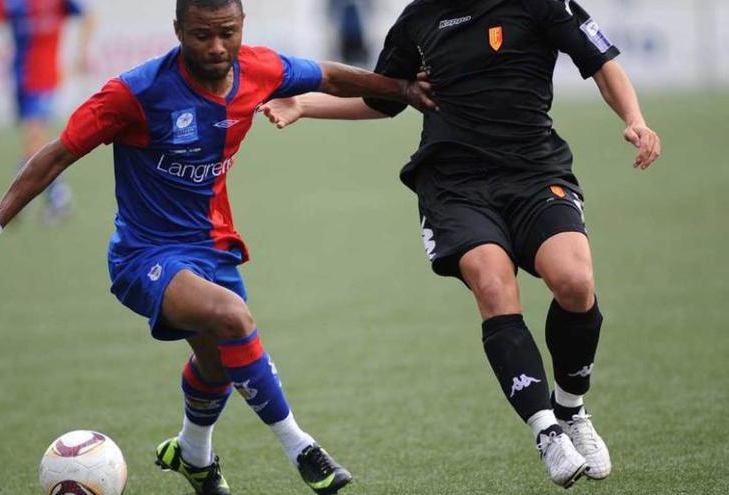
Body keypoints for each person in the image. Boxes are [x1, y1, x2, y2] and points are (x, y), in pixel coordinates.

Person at [0, 1, 434, 494]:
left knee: (218, 364)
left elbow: (328, 75)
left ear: (242, 25)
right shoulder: (135, 93)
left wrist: (403, 89)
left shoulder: (261, 69)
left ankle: (194, 455)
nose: (217, 47)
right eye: (202, 35)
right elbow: (55, 155)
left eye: (227, 32)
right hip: (145, 256)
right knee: (233, 318)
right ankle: (301, 446)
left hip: (212, 247)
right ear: (178, 31)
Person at [262, 0, 661, 488]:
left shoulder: (540, 4)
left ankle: (572, 409)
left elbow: (600, 62)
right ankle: (546, 431)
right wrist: (304, 104)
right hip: (455, 184)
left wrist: (635, 118)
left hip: (535, 172)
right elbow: (384, 99)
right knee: (493, 285)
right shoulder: (418, 19)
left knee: (575, 282)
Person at [0, 0, 95, 222]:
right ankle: (24, 200)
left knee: (35, 141)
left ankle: (54, 198)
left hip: (45, 79)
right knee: (32, 144)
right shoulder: (11, 3)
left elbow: (89, 16)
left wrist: (82, 52)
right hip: (20, 78)